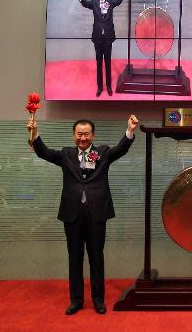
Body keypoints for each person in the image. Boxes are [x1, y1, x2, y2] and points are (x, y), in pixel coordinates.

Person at [27, 114, 139, 315]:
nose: (83, 138)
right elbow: (43, 152)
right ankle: (76, 300)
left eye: (86, 134)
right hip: (73, 214)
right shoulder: (66, 154)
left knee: (97, 258)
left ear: (93, 135)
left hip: (97, 213)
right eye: (79, 134)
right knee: (74, 257)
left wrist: (130, 130)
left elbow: (120, 149)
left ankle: (98, 300)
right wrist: (34, 134)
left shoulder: (102, 153)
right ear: (73, 136)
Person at [79, 0, 127, 97]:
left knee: (108, 63)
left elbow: (118, 1)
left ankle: (109, 87)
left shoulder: (110, 0)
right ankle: (100, 87)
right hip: (97, 38)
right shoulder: (94, 2)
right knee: (99, 63)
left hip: (108, 38)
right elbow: (85, 3)